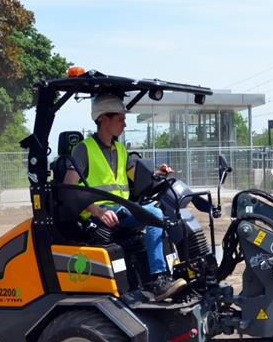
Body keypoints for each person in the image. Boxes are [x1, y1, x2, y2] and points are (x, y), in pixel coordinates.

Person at [64, 93, 186, 301]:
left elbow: (135, 176)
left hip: (122, 210)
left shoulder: (120, 149)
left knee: (158, 212)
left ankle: (168, 274)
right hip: (98, 215)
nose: (125, 124)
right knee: (153, 213)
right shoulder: (84, 150)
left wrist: (158, 173)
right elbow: (69, 187)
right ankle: (158, 280)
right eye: (120, 119)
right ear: (104, 119)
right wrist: (97, 210)